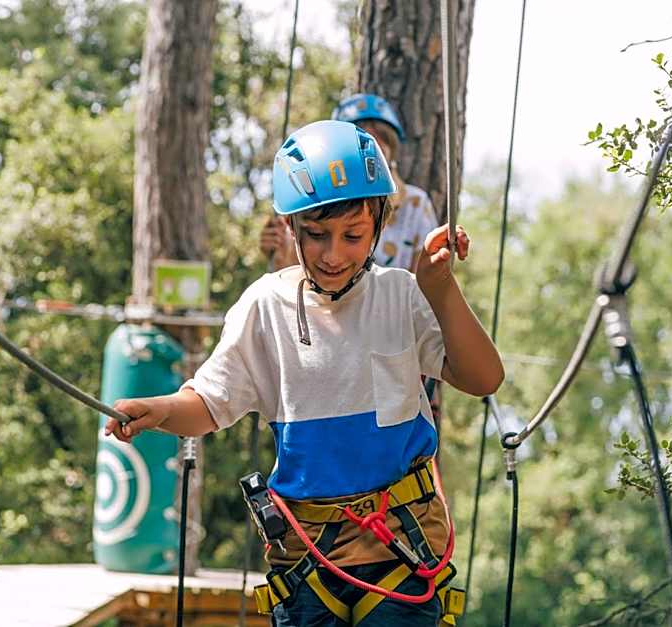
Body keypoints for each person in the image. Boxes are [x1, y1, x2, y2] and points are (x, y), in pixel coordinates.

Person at [105, 120, 503, 626]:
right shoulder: (264, 306)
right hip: (309, 555)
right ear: (289, 227)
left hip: (401, 543)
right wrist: (156, 410)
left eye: (352, 235)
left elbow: (483, 378)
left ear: (379, 225)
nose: (333, 254)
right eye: (315, 236)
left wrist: (439, 287)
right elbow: (208, 404)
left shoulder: (399, 295)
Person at [260, 93, 438, 274]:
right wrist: (280, 255)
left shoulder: (415, 204)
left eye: (353, 235)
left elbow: (423, 279)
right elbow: (299, 279)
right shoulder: (315, 198)